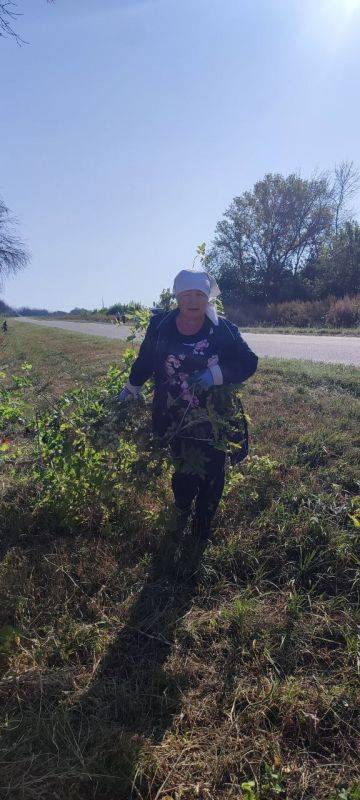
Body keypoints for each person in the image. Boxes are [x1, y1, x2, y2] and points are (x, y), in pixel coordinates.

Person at [116, 270, 258, 539]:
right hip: (173, 415)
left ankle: (202, 524)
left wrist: (214, 376)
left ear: (207, 298)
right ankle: (181, 508)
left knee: (213, 473)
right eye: (187, 295)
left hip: (213, 417)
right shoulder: (160, 326)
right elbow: (146, 359)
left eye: (199, 295)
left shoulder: (222, 329)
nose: (193, 301)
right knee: (183, 473)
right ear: (177, 297)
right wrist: (131, 387)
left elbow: (249, 362)